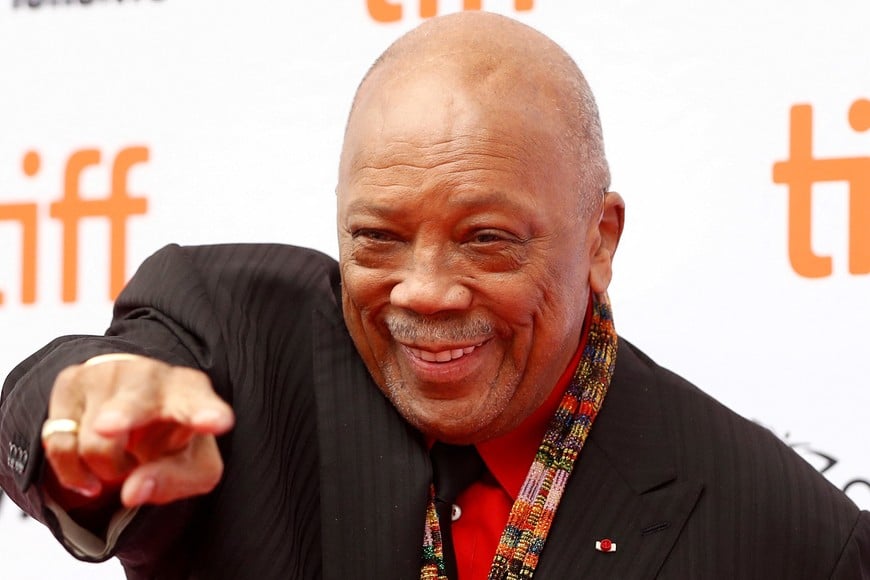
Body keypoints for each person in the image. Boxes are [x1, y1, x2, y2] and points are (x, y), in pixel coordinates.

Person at [1, 11, 868, 580]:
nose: (424, 292)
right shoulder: (239, 344)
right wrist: (84, 416)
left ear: (599, 238)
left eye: (486, 239)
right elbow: (77, 387)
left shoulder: (791, 537)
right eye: (376, 237)